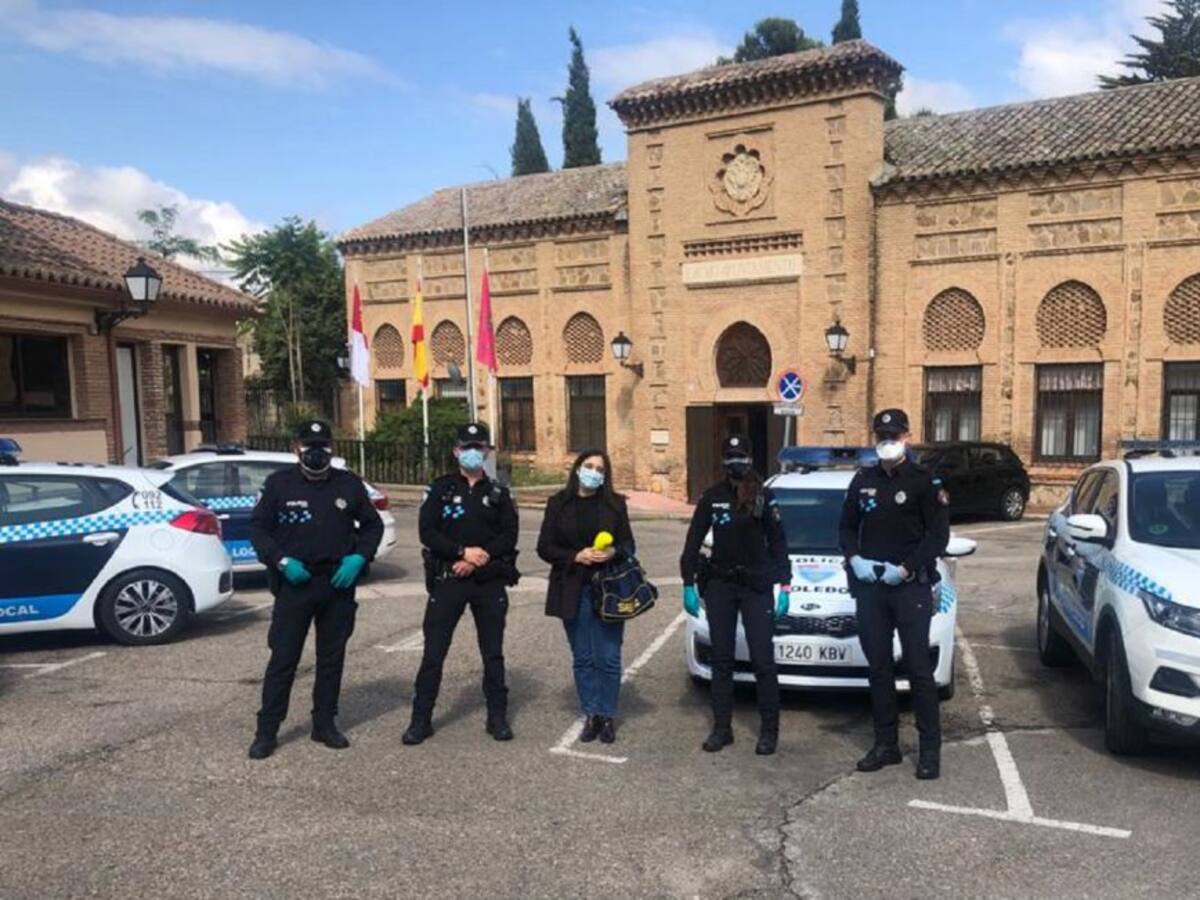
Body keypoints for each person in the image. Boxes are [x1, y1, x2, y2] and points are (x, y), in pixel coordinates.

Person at [246, 420, 384, 760]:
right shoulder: (279, 485)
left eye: (323, 445)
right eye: (310, 446)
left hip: (337, 583)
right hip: (295, 584)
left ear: (331, 448)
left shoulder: (348, 484)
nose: (316, 452)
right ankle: (267, 730)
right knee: (283, 659)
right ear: (297, 447)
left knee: (331, 659)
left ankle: (325, 723)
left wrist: (359, 558)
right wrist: (280, 561)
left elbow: (372, 526)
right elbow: (259, 530)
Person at [838, 408, 950, 780]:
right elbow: (847, 526)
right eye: (881, 436)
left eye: (893, 436)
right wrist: (854, 559)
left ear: (906, 437)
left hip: (909, 587)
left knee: (919, 671)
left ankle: (929, 751)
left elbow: (938, 536)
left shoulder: (924, 481)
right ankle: (886, 745)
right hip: (871, 588)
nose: (887, 442)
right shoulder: (864, 479)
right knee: (879, 670)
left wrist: (905, 568)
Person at [402, 422, 519, 745]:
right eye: (466, 447)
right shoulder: (441, 489)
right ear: (456, 451)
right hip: (448, 578)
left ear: (487, 452)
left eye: (479, 447)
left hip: (488, 580)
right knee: (434, 653)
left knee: (492, 653)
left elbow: (509, 535)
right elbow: (428, 531)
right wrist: (460, 553)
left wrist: (478, 558)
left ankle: (497, 717)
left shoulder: (499, 493)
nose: (472, 453)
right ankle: (420, 719)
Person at [680, 435, 790, 755]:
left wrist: (785, 585)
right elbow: (692, 543)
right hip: (721, 586)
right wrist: (688, 582)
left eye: (740, 456)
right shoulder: (712, 498)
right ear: (723, 462)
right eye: (730, 457)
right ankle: (722, 728)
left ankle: (769, 731)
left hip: (756, 587)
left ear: (750, 459)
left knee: (763, 661)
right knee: (723, 660)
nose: (735, 462)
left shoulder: (764, 497)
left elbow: (779, 542)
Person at [537, 449, 636, 744]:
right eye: (589, 466)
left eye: (600, 469)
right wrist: (575, 555)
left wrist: (612, 552)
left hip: (608, 589)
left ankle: (607, 715)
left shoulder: (615, 505)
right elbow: (544, 547)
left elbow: (628, 544)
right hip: (572, 587)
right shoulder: (558, 504)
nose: (594, 472)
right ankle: (591, 713)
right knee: (583, 657)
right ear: (578, 468)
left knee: (608, 656)